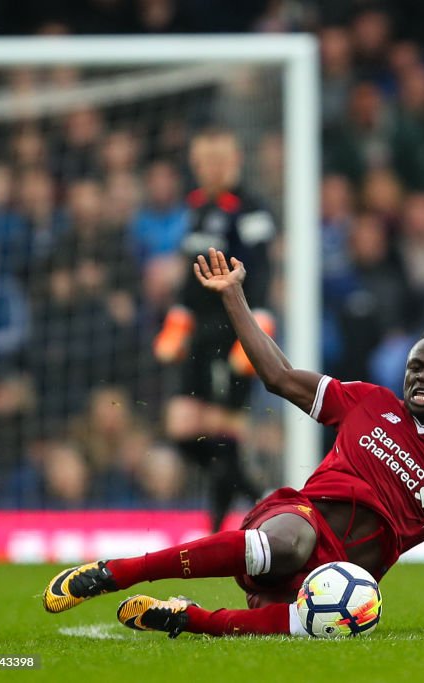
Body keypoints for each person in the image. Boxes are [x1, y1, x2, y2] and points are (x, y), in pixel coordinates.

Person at [42, 248, 424, 637]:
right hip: (295, 519)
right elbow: (280, 377)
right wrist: (234, 296)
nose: (423, 379)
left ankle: (187, 619)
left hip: (335, 580)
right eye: (416, 368)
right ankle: (118, 571)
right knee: (286, 542)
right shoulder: (368, 401)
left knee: (332, 621)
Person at [152, 128, 270, 532]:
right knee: (185, 427)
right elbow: (189, 274)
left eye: (218, 160)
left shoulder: (251, 211)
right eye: (203, 161)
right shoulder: (197, 206)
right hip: (198, 331)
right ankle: (260, 498)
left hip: (232, 330)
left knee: (223, 427)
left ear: (235, 160)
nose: (209, 169)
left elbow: (262, 273)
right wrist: (178, 318)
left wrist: (257, 326)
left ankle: (218, 527)